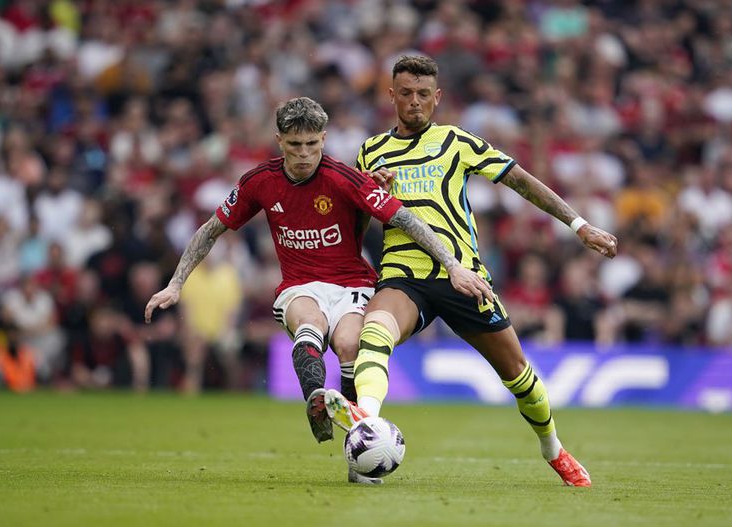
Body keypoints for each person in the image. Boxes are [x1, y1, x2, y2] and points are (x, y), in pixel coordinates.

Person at [143, 97, 492, 477]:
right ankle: (317, 400)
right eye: (295, 145)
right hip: (300, 284)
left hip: (352, 283)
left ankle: (356, 449)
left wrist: (453, 265)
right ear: (279, 140)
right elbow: (211, 230)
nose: (304, 154)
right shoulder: (260, 181)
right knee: (310, 321)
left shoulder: (344, 179)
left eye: (312, 144)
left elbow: (407, 220)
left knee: (349, 344)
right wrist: (175, 284)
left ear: (323, 139)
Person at [323, 56, 618, 487]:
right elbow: (358, 224)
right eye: (406, 93)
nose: (415, 101)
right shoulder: (371, 152)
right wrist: (371, 196)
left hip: (463, 277)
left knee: (520, 377)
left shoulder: (456, 141)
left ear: (437, 97)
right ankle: (366, 419)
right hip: (404, 273)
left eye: (423, 94)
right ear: (391, 96)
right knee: (375, 331)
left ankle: (553, 448)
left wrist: (579, 225)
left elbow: (521, 181)